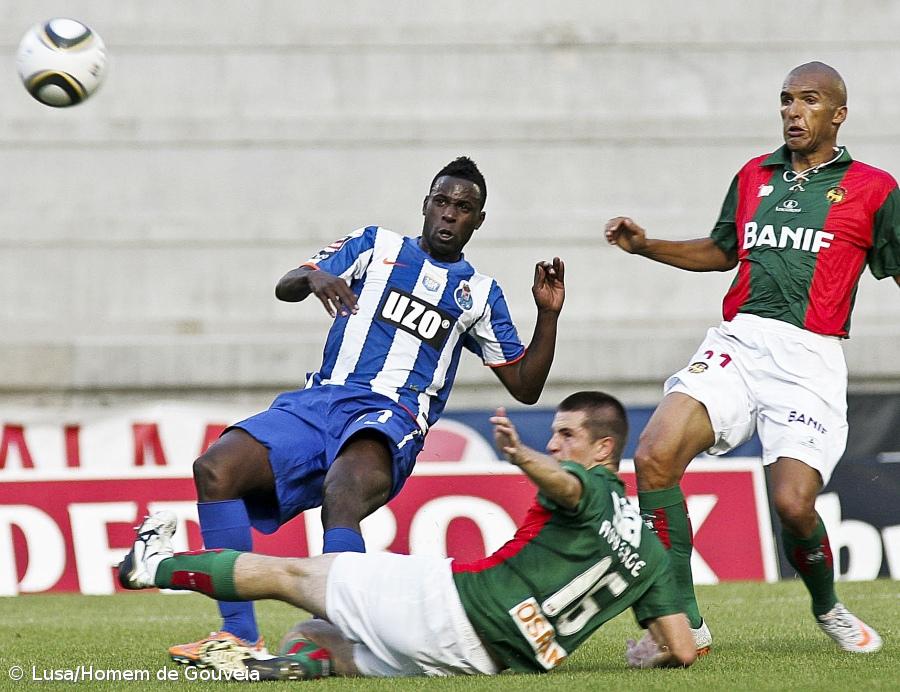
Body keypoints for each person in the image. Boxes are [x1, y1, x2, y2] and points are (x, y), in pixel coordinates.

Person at [168, 156, 566, 663]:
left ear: (478, 221)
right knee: (215, 469)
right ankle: (239, 638)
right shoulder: (375, 245)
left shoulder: (480, 294)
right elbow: (287, 284)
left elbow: (525, 386)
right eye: (442, 202)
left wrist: (548, 315)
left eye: (463, 208)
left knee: (344, 491)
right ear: (425, 205)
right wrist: (312, 279)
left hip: (392, 415)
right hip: (318, 402)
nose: (449, 214)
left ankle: (330, 638)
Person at [604, 61, 896, 655]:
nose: (792, 110)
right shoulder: (752, 175)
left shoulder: (874, 189)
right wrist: (646, 245)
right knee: (656, 455)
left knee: (793, 506)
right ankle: (684, 626)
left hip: (809, 358)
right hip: (738, 342)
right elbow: (721, 251)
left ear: (837, 114)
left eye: (808, 101)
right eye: (786, 100)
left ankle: (826, 605)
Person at [119, 391, 696, 679]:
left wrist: (521, 455)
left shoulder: (585, 484)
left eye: (566, 435)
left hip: (457, 606)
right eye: (551, 436)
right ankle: (269, 669)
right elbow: (682, 646)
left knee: (292, 574)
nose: (555, 446)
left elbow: (570, 486)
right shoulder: (647, 549)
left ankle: (154, 566)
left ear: (603, 449)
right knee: (319, 640)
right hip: (487, 661)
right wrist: (648, 654)